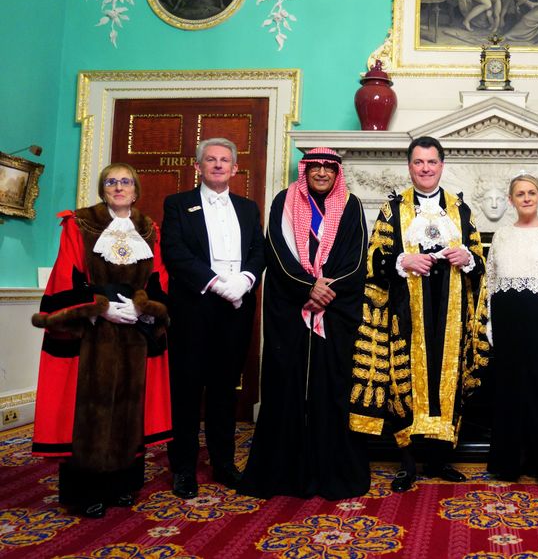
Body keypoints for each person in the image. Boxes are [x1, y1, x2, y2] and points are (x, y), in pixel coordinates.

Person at [349, 136, 489, 492]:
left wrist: (468, 259)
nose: (425, 169)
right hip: (405, 311)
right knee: (406, 379)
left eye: (431, 162)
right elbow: (373, 259)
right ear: (409, 166)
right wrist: (401, 260)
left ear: (442, 165)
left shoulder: (462, 209)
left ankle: (440, 459)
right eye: (418, 163)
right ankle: (408, 463)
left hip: (451, 311)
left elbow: (481, 262)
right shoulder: (392, 209)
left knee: (448, 378)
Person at [31, 163, 171, 518]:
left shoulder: (149, 229)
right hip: (93, 334)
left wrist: (144, 310)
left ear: (136, 190)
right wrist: (100, 308)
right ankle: (85, 492)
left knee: (129, 405)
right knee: (90, 409)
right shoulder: (80, 224)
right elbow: (67, 275)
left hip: (133, 334)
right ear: (102, 188)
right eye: (112, 182)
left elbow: (158, 279)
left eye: (126, 182)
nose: (119, 187)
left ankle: (123, 485)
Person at [239, 148, 370, 500]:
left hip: (335, 311)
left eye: (329, 168)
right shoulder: (284, 200)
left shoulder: (352, 205)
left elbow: (357, 258)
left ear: (337, 172)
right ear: (306, 169)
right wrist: (305, 287)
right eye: (316, 167)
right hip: (290, 311)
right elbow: (275, 251)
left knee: (331, 388)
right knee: (286, 386)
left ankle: (330, 470)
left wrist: (326, 291)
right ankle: (283, 472)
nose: (323, 173)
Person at [161, 138, 265, 499]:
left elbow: (258, 250)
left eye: (225, 160)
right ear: (198, 167)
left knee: (225, 390)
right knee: (187, 390)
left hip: (238, 307)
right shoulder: (177, 205)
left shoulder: (249, 208)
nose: (218, 165)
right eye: (211, 160)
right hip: (194, 307)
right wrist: (218, 284)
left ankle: (223, 464)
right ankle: (184, 469)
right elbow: (174, 253)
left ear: (235, 169)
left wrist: (245, 282)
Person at [486, 172, 538, 491]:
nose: (526, 198)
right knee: (508, 391)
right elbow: (491, 280)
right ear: (511, 200)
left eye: (531, 192)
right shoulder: (501, 235)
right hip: (507, 319)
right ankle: (507, 464)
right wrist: (490, 323)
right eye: (520, 193)